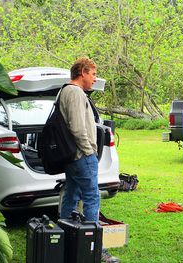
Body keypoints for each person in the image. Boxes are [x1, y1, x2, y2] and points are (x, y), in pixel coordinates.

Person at [59, 57, 120, 263]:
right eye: (93, 74)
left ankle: (66, 241)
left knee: (71, 196)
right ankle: (94, 248)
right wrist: (89, 152)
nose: (95, 79)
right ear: (82, 72)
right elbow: (77, 127)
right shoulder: (75, 93)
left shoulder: (64, 91)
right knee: (92, 197)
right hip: (81, 156)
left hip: (72, 157)